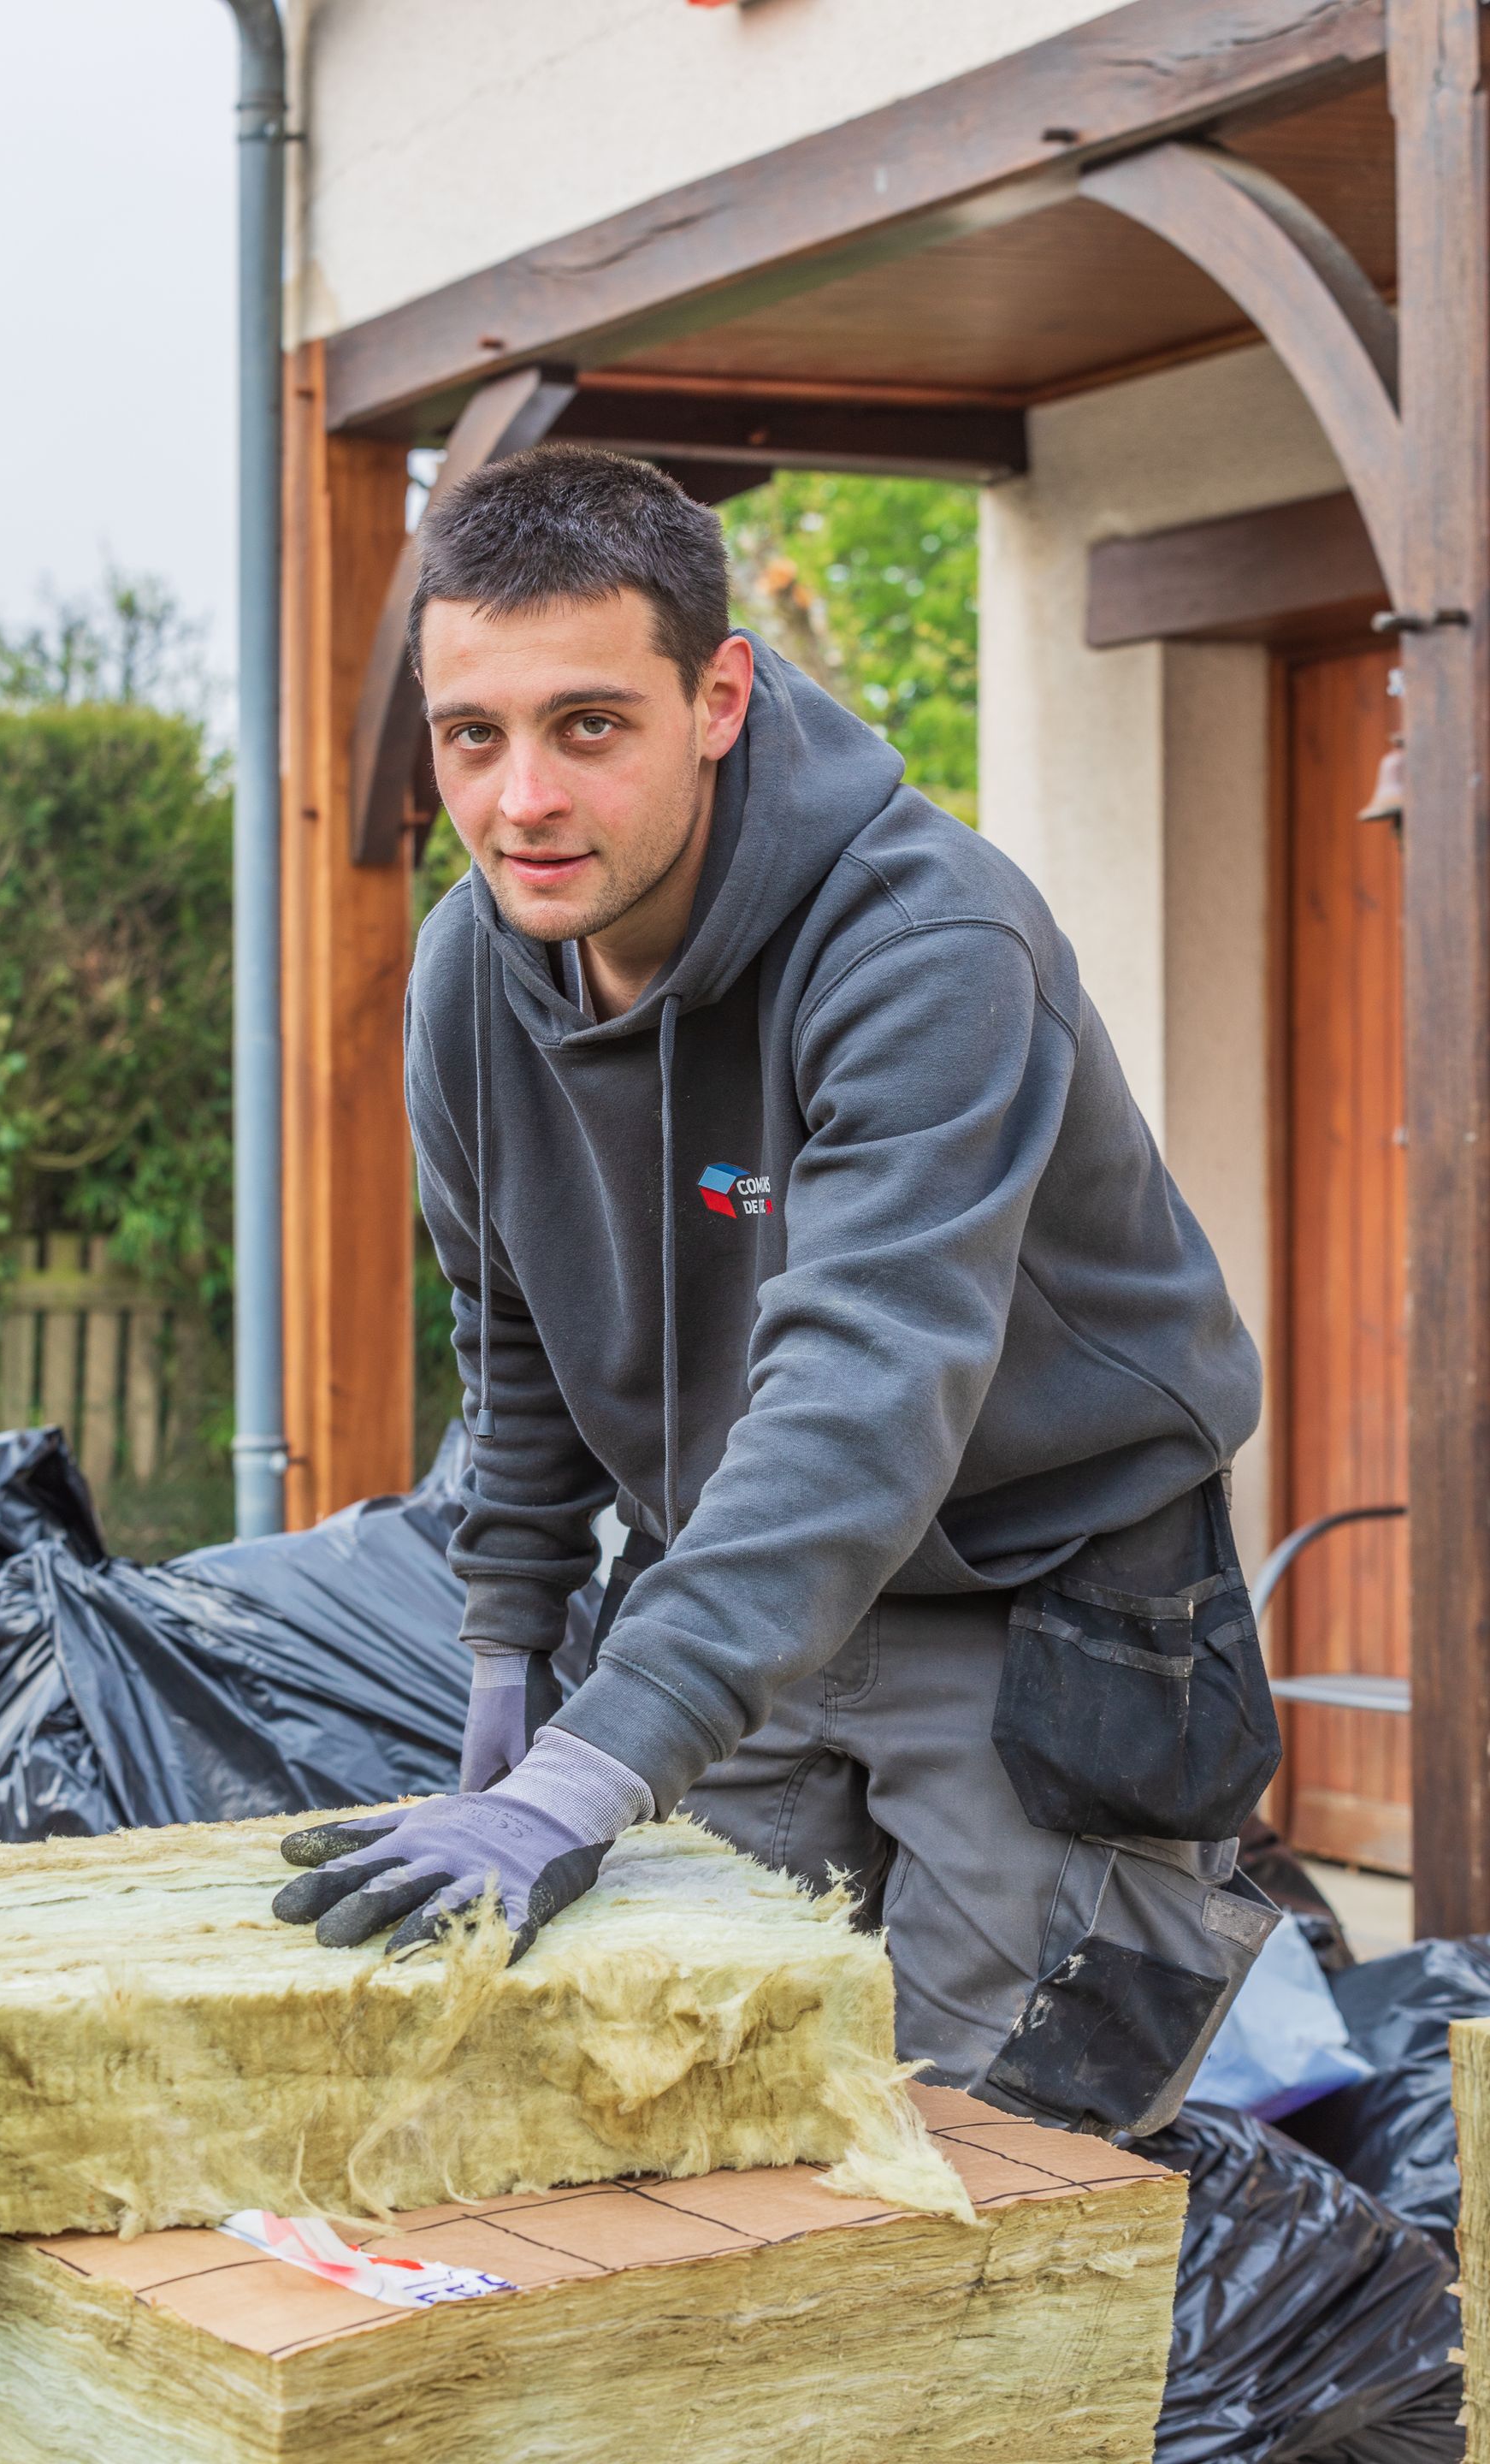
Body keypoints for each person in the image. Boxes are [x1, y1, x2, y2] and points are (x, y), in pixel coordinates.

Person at [275, 446, 1280, 2137]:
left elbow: (863, 1393)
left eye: (589, 723)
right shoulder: (467, 979)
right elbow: (513, 1338)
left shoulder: (930, 945)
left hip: (1040, 1596)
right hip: (745, 1601)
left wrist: (600, 1767)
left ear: (719, 696)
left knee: (995, 2161)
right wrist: (510, 1659)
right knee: (686, 2113)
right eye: (475, 735)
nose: (521, 800)